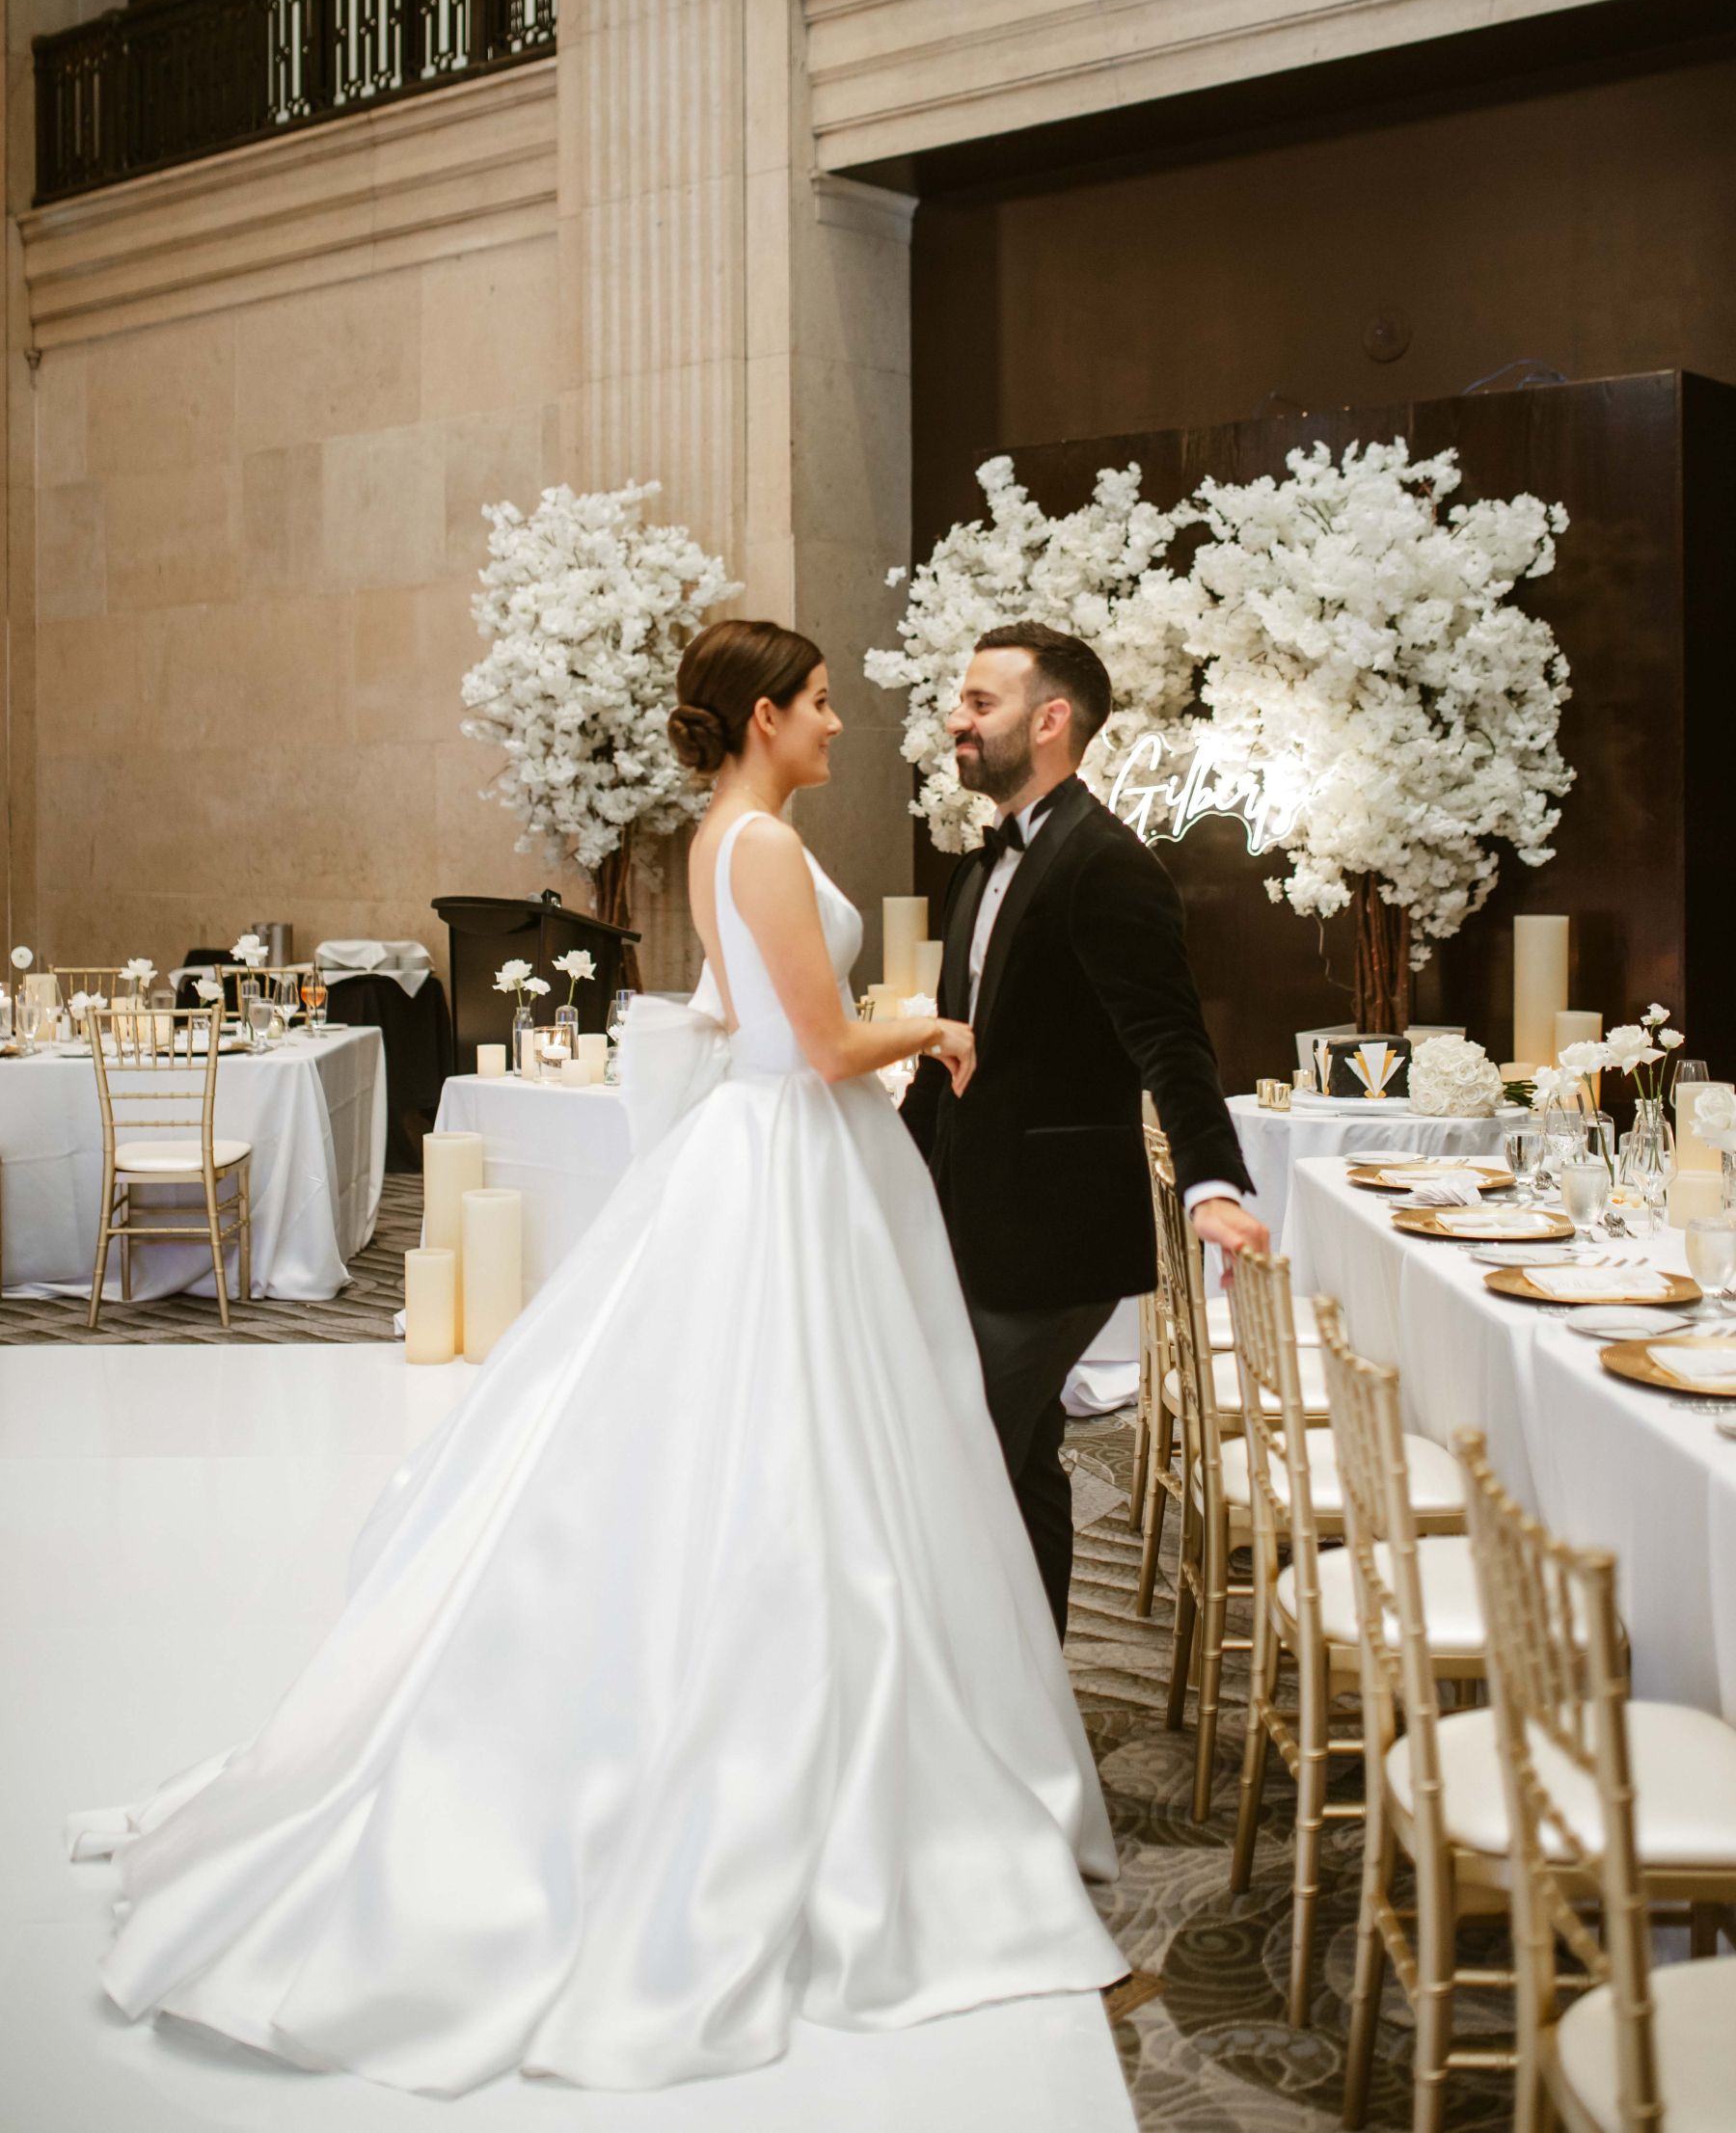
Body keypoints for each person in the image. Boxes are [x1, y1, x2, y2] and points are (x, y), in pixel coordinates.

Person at [68, 618, 1126, 2099]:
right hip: (789, 1162)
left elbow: (739, 1019)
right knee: (797, 1455)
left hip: (774, 1161)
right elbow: (812, 1048)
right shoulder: (756, 845)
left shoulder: (726, 832)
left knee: (808, 1455)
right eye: (820, 704)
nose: (839, 723)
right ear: (764, 717)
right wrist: (931, 1025)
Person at [901, 622, 1266, 1639]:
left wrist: (1213, 1184)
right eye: (960, 700)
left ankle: (975, 1699)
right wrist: (886, 1177)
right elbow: (954, 1055)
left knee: (953, 1454)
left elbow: (1172, 1041)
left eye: (981, 702)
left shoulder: (1110, 864)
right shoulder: (978, 868)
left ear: (1050, 719)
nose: (956, 718)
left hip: (1054, 1241)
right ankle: (1035, 1708)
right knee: (1018, 1468)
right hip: (971, 1226)